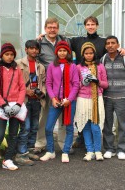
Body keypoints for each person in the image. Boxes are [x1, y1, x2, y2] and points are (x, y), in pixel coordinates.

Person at [70, 16, 125, 148]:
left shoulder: (103, 42)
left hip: (98, 83)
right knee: (82, 112)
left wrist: (121, 50)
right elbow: (60, 41)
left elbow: (112, 47)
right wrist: (43, 36)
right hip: (83, 84)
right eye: (88, 24)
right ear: (85, 26)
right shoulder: (77, 41)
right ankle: (81, 138)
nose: (90, 26)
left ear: (97, 26)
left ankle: (95, 142)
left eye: (93, 24)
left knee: (97, 114)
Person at [34, 17, 72, 154]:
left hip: (64, 85)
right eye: (49, 27)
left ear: (58, 28)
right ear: (45, 29)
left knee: (63, 114)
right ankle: (40, 142)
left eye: (54, 27)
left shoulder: (65, 40)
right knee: (44, 114)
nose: (52, 30)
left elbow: (69, 58)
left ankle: (63, 143)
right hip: (47, 84)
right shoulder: (39, 42)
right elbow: (35, 59)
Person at [0, 43, 26, 174]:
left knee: (14, 135)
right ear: (2, 55)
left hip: (16, 106)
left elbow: (22, 88)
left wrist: (18, 104)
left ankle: (8, 159)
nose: (9, 57)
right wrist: (4, 104)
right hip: (1, 107)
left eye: (12, 55)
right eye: (7, 54)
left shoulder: (17, 69)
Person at [40, 41, 79, 163]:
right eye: (60, 51)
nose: (62, 53)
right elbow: (49, 83)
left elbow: (76, 84)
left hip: (69, 101)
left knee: (69, 127)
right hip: (56, 101)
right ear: (57, 52)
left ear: (68, 52)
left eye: (64, 51)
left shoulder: (72, 66)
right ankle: (50, 151)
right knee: (48, 127)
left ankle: (66, 151)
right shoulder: (52, 66)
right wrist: (53, 98)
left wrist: (70, 99)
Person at [101, 36, 125, 160]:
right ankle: (109, 148)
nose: (110, 45)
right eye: (108, 43)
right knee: (107, 123)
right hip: (107, 96)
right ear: (105, 46)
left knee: (123, 123)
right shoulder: (103, 59)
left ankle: (121, 149)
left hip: (122, 96)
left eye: (113, 43)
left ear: (118, 45)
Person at [74, 42, 108, 161]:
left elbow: (105, 84)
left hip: (96, 99)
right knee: (86, 126)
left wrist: (97, 81)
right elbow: (75, 84)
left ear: (94, 53)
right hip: (83, 99)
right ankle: (89, 151)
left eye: (91, 53)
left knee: (96, 126)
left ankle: (98, 150)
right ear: (83, 54)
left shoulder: (100, 66)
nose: (89, 55)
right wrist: (83, 82)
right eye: (86, 53)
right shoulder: (78, 67)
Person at [15, 40, 46, 166]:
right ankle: (21, 154)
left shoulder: (41, 66)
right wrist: (26, 91)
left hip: (36, 101)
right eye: (31, 48)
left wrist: (42, 93)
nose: (34, 50)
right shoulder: (18, 64)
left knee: (34, 127)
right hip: (24, 100)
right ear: (26, 49)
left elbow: (43, 83)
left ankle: (30, 150)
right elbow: (14, 83)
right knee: (25, 127)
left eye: (36, 48)